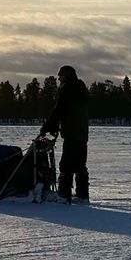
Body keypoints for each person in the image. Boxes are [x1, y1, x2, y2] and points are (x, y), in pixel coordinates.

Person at [41, 64, 89, 202]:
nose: (58, 78)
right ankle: (82, 195)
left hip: (72, 133)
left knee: (66, 164)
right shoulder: (81, 89)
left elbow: (59, 110)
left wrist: (48, 125)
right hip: (82, 133)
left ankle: (64, 195)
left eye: (60, 75)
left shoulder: (67, 90)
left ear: (66, 76)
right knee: (80, 164)